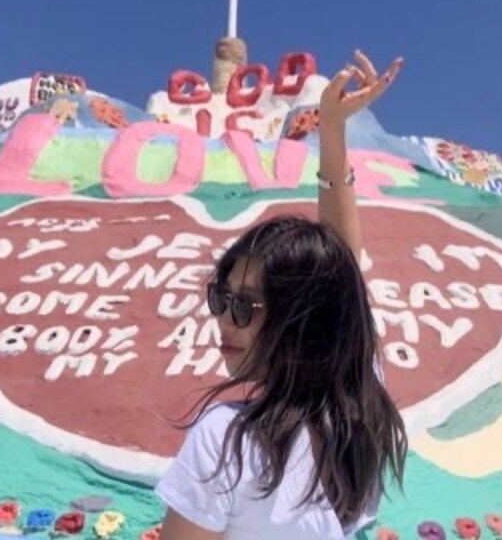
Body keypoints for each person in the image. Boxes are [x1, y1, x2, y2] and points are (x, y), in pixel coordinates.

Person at [155, 50, 408, 540]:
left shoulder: (226, 441)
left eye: (244, 307)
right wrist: (331, 130)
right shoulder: (360, 416)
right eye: (220, 298)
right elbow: (340, 269)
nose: (223, 320)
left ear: (308, 321)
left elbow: (339, 272)